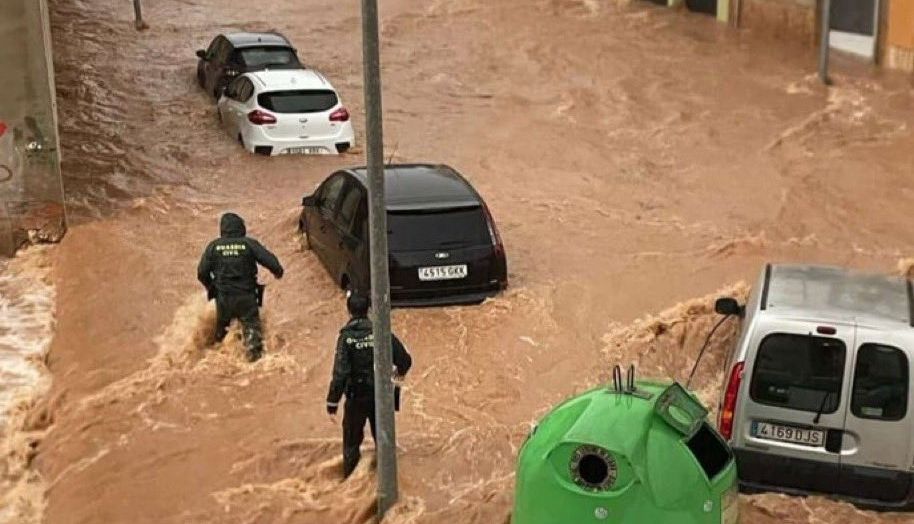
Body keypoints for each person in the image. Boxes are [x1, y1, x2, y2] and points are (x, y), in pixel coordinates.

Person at [326, 294, 412, 477]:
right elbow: (404, 360)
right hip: (381, 395)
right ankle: (388, 480)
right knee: (384, 440)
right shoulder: (381, 332)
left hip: (356, 397)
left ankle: (349, 485)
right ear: (369, 310)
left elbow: (340, 373)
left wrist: (332, 402)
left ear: (348, 310)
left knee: (351, 442)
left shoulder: (347, 338)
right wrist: (397, 377)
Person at [197, 212, 284, 362]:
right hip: (247, 299)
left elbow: (201, 273)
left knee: (220, 338)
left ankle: (214, 364)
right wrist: (278, 273)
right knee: (253, 340)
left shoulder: (213, 247)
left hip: (223, 299)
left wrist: (212, 288)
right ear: (241, 228)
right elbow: (272, 263)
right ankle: (255, 369)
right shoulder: (249, 244)